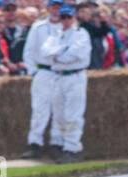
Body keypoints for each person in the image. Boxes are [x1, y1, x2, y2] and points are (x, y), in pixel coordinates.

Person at [42, 3, 90, 161]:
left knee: (73, 114)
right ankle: (60, 143)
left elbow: (76, 54)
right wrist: (62, 51)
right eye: (63, 17)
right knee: (59, 114)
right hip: (57, 76)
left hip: (74, 76)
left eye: (68, 17)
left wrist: (57, 54)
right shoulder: (54, 35)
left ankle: (73, 147)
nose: (65, 20)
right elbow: (45, 52)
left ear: (74, 17)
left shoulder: (81, 34)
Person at [21, 0, 62, 157]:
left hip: (60, 72)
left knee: (59, 109)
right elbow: (29, 51)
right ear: (48, 8)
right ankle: (35, 143)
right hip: (43, 72)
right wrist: (34, 71)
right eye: (53, 7)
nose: (56, 10)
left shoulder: (68, 27)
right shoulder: (38, 27)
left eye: (58, 7)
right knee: (39, 109)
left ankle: (56, 143)